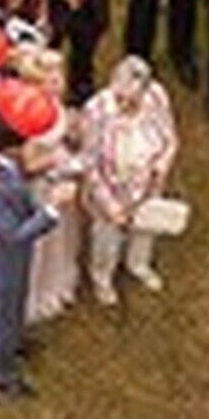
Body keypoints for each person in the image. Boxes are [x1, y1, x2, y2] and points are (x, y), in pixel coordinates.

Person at [82, 56, 179, 303]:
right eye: (119, 96)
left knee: (145, 230)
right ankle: (102, 277)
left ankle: (138, 264)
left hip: (148, 186)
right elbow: (89, 164)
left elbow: (170, 138)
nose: (124, 103)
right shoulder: (96, 110)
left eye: (131, 99)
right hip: (110, 190)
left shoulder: (156, 97)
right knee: (107, 237)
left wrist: (162, 166)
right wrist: (111, 206)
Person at [0, 121, 57, 398]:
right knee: (2, 315)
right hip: (0, 264)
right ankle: (1, 374)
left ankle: (16, 342)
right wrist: (52, 209)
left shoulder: (3, 163)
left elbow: (18, 189)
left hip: (14, 259)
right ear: (8, 148)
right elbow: (15, 235)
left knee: (18, 302)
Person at [14, 46, 84, 323]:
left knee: (63, 237)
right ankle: (38, 294)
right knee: (43, 243)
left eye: (60, 77)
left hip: (62, 179)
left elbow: (64, 133)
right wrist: (57, 161)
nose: (60, 83)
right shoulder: (29, 118)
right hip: (43, 187)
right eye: (53, 80)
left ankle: (60, 282)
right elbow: (28, 165)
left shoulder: (55, 106)